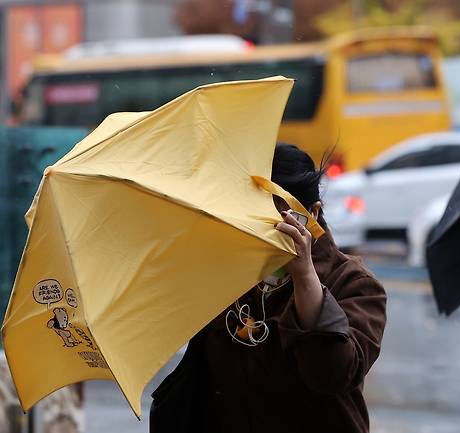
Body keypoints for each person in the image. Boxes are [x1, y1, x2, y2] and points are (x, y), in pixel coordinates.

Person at [150, 143, 387, 433]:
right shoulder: (228, 274)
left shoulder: (354, 284)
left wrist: (304, 277)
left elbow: (332, 375)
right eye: (257, 219)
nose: (267, 236)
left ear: (312, 213)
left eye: (280, 219)